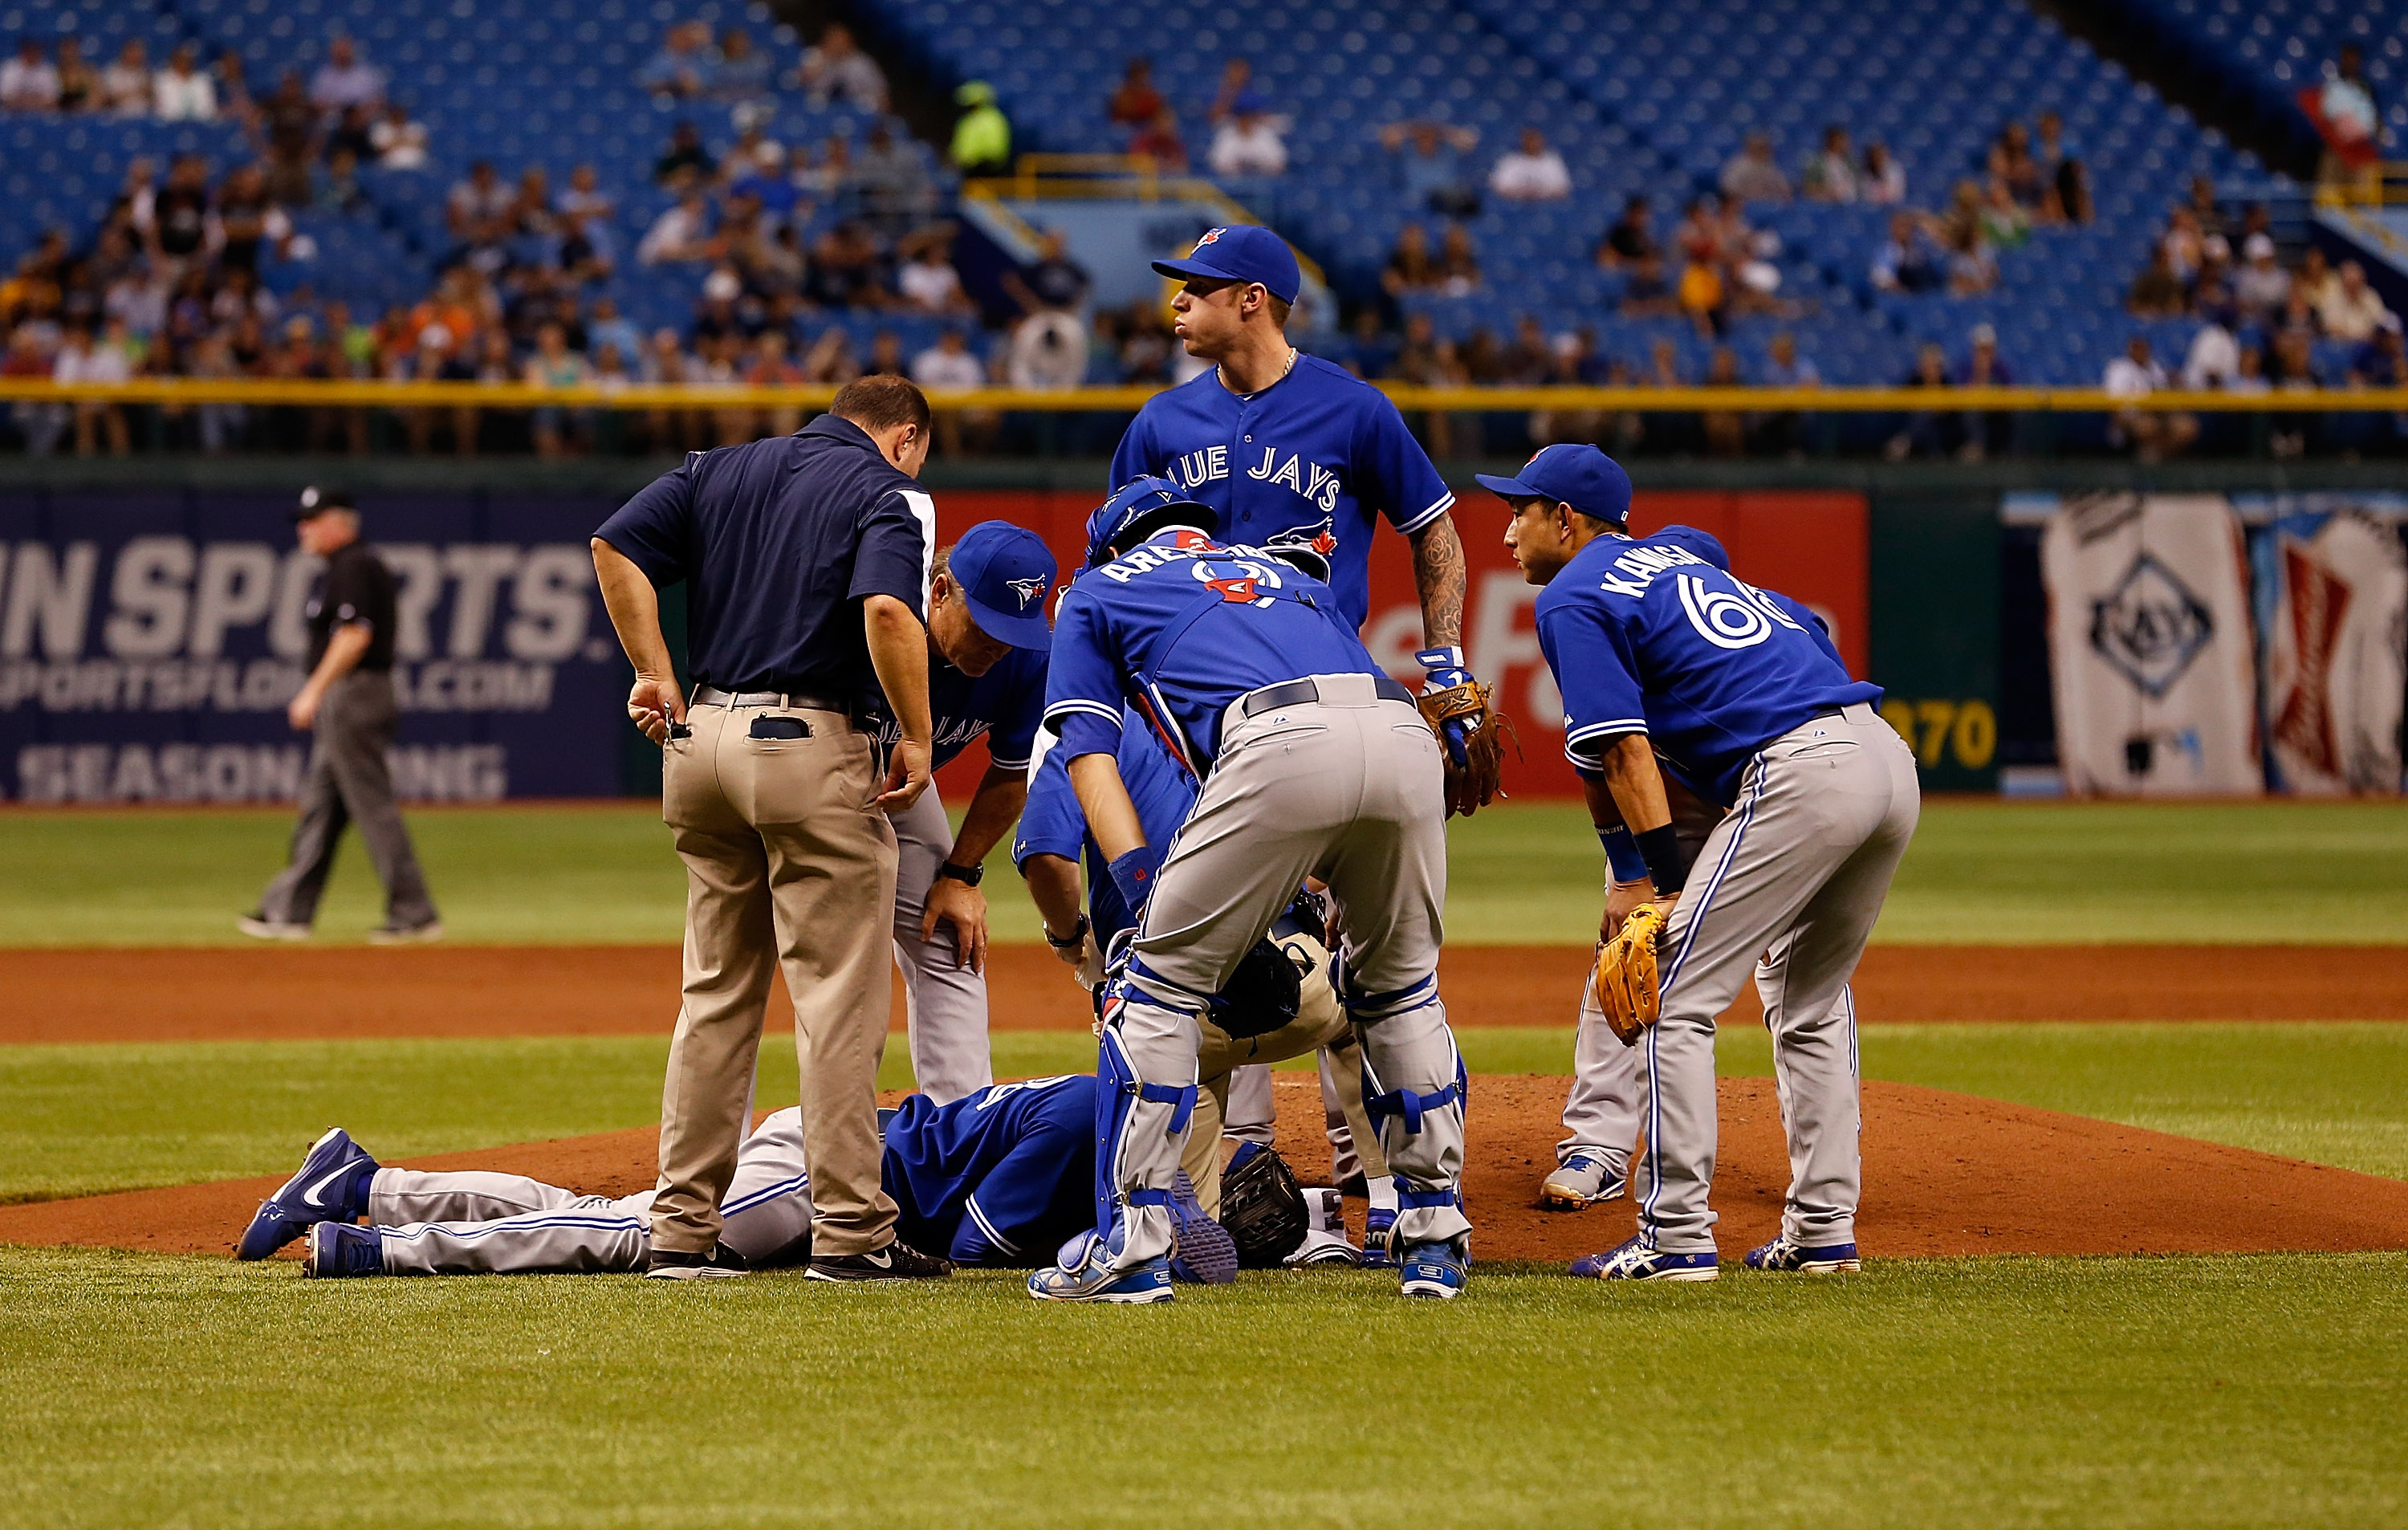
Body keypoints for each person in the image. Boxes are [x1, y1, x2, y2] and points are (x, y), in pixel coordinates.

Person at [1024, 483, 1471, 1303]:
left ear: (1112, 545)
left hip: (1273, 738)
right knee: (1400, 991)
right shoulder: (1287, 574)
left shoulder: (1097, 589)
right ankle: (1435, 1237)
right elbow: (1352, 721)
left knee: (1149, 995)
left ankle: (1132, 1249)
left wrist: (1135, 889)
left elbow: (1088, 748)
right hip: (1403, 730)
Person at [1488, 446, 1916, 1280]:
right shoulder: (1703, 573)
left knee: (1671, 992)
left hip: (1798, 773)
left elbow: (1620, 751)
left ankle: (1675, 1233)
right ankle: (1824, 1231)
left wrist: (1659, 882)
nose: (1508, 531)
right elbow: (1814, 642)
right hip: (1883, 757)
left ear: (1565, 521)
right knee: (1809, 1000)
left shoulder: (1575, 593)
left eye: (1521, 510)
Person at [588, 375, 946, 1283]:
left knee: (713, 994)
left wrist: (653, 671)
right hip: (807, 745)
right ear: (904, 438)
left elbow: (614, 545)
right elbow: (886, 610)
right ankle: (852, 1234)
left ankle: (680, 1230)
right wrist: (914, 730)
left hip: (698, 741)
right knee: (835, 1002)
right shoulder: (886, 490)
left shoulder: (722, 468)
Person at [1531, 524, 1858, 1218]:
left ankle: (1801, 1171)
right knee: (1632, 944)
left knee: (1777, 970)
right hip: (1680, 794)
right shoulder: (1608, 614)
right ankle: (1599, 1144)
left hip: (1770, 784)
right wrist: (1632, 877)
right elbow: (1603, 757)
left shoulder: (1771, 617)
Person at [239, 1077, 1237, 1284]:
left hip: (833, 1172)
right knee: (635, 1240)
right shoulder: (1078, 1118)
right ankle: (374, 1243)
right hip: (823, 1172)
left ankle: (368, 1186)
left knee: (608, 1213)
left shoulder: (1099, 1108)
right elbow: (974, 1246)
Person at [1109, 226, 1469, 684]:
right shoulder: (1160, 421)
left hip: (1321, 675)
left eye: (1198, 288)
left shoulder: (1354, 407)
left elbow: (1432, 526)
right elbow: (1114, 561)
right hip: (1188, 681)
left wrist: (1447, 665)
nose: (1179, 301)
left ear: (1251, 299)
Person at [860, 523, 1059, 1104]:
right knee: (806, 950)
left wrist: (960, 873)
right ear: (940, 590)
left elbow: (1013, 770)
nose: (996, 647)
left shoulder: (1028, 659)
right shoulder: (877, 617)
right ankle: (724, 1163)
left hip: (903, 789)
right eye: (986, 627)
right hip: (811, 774)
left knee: (950, 937)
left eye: (1012, 632)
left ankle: (965, 1130)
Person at [239, 486, 441, 945]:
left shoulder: (354, 564)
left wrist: (313, 692)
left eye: (312, 519)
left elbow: (354, 637)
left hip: (355, 695)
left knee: (371, 806)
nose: (302, 529)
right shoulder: (344, 567)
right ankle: (288, 910)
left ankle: (414, 911)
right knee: (321, 808)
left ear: (339, 522)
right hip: (351, 696)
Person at [797, 22, 886, 112]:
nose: (837, 45)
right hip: (816, 105)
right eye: (833, 40)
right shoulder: (814, 54)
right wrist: (823, 60)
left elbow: (881, 94)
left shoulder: (862, 64)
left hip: (852, 110)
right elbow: (802, 82)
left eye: (841, 42)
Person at [1208, 93, 1287, 178]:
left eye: (1248, 116)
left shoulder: (1266, 135)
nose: (1245, 120)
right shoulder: (1225, 135)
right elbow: (1219, 165)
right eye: (1242, 116)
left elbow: (1278, 164)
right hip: (1234, 181)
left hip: (1262, 180)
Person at [950, 80, 1011, 177]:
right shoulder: (969, 120)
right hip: (971, 168)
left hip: (983, 169)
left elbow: (994, 151)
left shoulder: (989, 119)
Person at [1719, 132, 1792, 204]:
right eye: (1760, 147)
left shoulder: (1770, 166)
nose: (1763, 150)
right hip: (1744, 205)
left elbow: (1785, 189)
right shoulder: (1738, 166)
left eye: (1764, 147)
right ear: (1750, 147)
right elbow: (1728, 189)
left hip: (1768, 205)